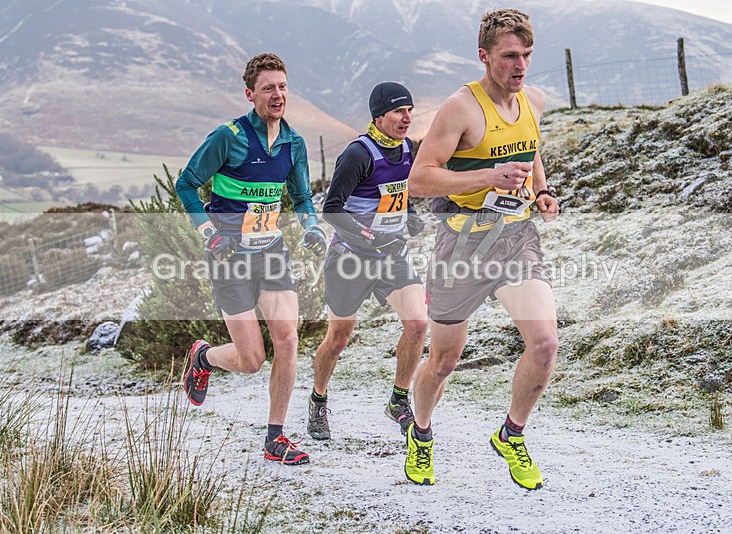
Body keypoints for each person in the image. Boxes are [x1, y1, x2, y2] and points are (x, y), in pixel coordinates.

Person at [404, 9, 560, 489]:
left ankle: (511, 434)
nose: (520, 66)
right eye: (510, 56)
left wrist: (541, 190)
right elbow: (419, 180)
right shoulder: (460, 108)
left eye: (527, 56)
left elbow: (529, 148)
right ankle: (422, 433)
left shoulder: (530, 98)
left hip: (515, 236)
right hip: (461, 242)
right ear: (484, 56)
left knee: (545, 342)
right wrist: (487, 177)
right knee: (444, 360)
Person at [175, 53, 327, 466]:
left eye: (282, 86)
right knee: (251, 360)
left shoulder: (293, 143)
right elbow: (186, 184)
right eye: (268, 88)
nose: (278, 95)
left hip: (270, 249)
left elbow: (301, 198)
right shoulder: (229, 137)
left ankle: (275, 438)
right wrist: (208, 233)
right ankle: (203, 357)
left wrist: (312, 227)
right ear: (250, 94)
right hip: (228, 254)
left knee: (289, 338)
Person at [307, 82, 428, 440]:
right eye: (398, 112)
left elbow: (396, 195)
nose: (407, 118)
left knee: (418, 324)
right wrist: (369, 235)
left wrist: (410, 216)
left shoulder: (407, 148)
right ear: (379, 116)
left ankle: (398, 400)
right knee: (339, 337)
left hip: (391, 256)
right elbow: (332, 210)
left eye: (410, 111)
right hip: (351, 258)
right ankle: (318, 400)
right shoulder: (358, 155)